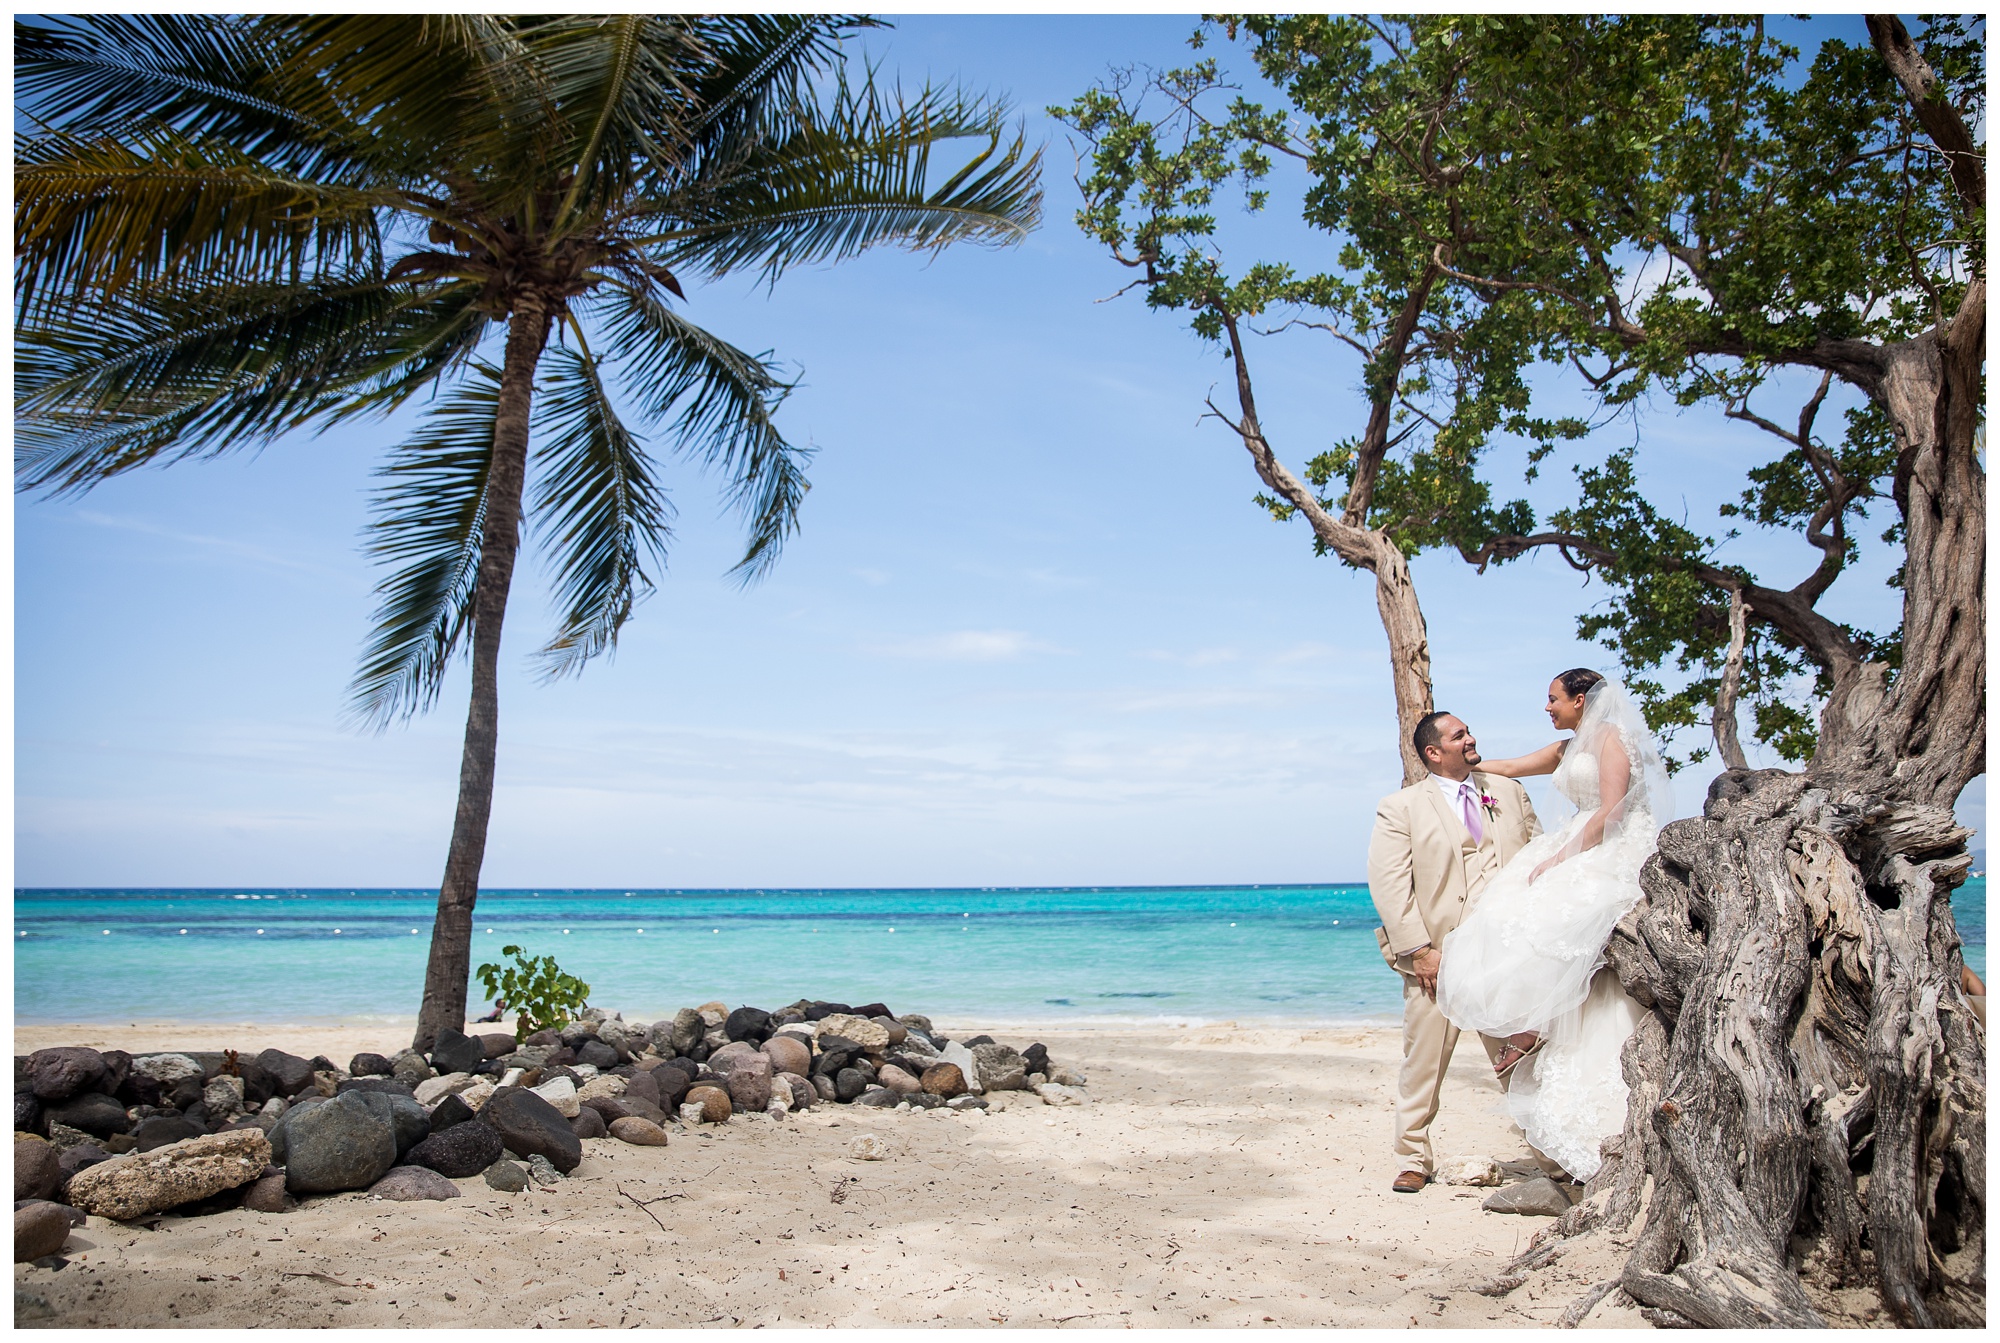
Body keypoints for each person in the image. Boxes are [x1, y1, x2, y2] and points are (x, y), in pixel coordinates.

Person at [1435, 669, 1670, 1181]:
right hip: (1578, 838)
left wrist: (1562, 856)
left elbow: (1611, 810)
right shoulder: (1566, 749)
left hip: (1612, 844)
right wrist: (1455, 770)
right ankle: (1531, 1022)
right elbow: (1511, 765)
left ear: (1580, 700)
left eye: (1552, 698)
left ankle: (1533, 1026)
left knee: (1562, 918)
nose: (1547, 707)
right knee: (1507, 918)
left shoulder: (1613, 738)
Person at [1366, 707, 1543, 1193]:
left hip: (1503, 955)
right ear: (1433, 752)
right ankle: (1413, 1158)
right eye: (1459, 734)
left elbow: (1540, 857)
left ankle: (1553, 1156)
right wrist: (1419, 950)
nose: (1471, 739)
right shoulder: (1400, 807)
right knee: (1423, 1062)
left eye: (1468, 732)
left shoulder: (1507, 791)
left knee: (1520, 1058)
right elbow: (1389, 884)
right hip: (1436, 958)